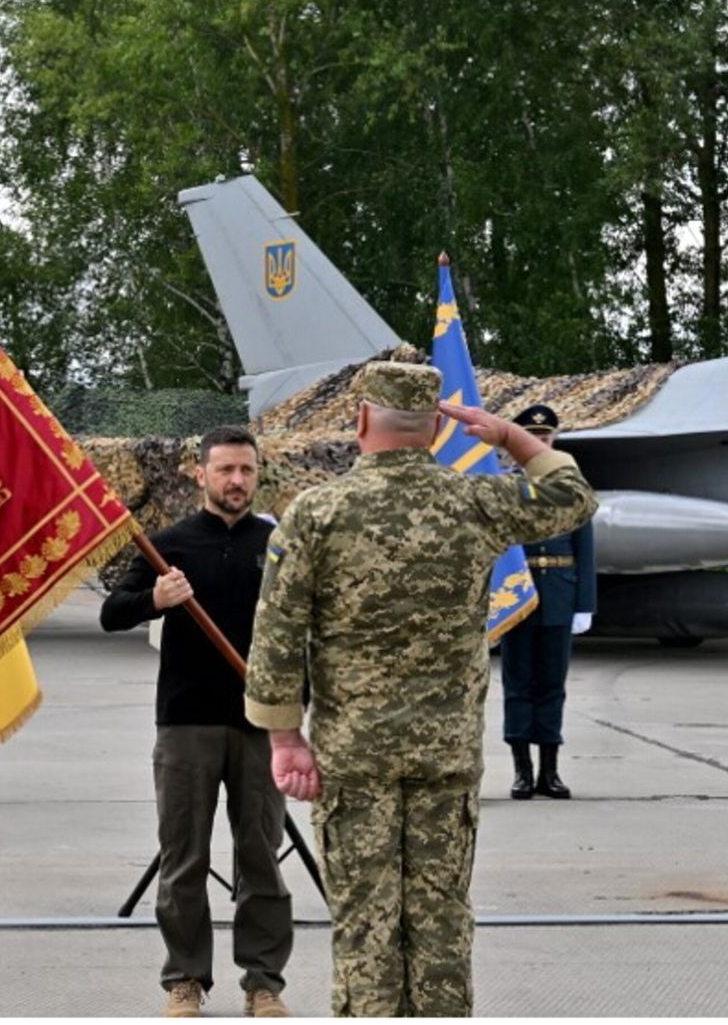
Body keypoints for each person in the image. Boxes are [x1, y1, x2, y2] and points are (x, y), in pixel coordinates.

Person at [243, 363, 597, 1017]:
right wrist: (511, 439)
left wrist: (285, 738)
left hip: (354, 755)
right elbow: (572, 498)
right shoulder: (474, 501)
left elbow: (277, 631)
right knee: (440, 916)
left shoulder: (315, 513)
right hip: (446, 753)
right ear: (437, 427)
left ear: (359, 421)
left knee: (365, 920)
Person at [101, 426, 294, 1019]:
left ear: (258, 474)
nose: (237, 480)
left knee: (261, 857)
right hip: (186, 724)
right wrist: (154, 599)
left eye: (246, 470)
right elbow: (112, 613)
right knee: (183, 857)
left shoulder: (280, 545)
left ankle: (263, 982)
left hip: (260, 723)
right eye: (225, 470)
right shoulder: (169, 545)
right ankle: (184, 979)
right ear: (201, 475)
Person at [500, 404, 597, 801]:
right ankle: (522, 771)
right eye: (532, 437)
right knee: (517, 684)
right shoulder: (506, 487)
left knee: (552, 686)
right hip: (516, 595)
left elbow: (585, 548)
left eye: (545, 438)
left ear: (553, 440)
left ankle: (550, 772)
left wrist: (583, 604)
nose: (539, 443)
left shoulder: (571, 486)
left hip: (559, 592)